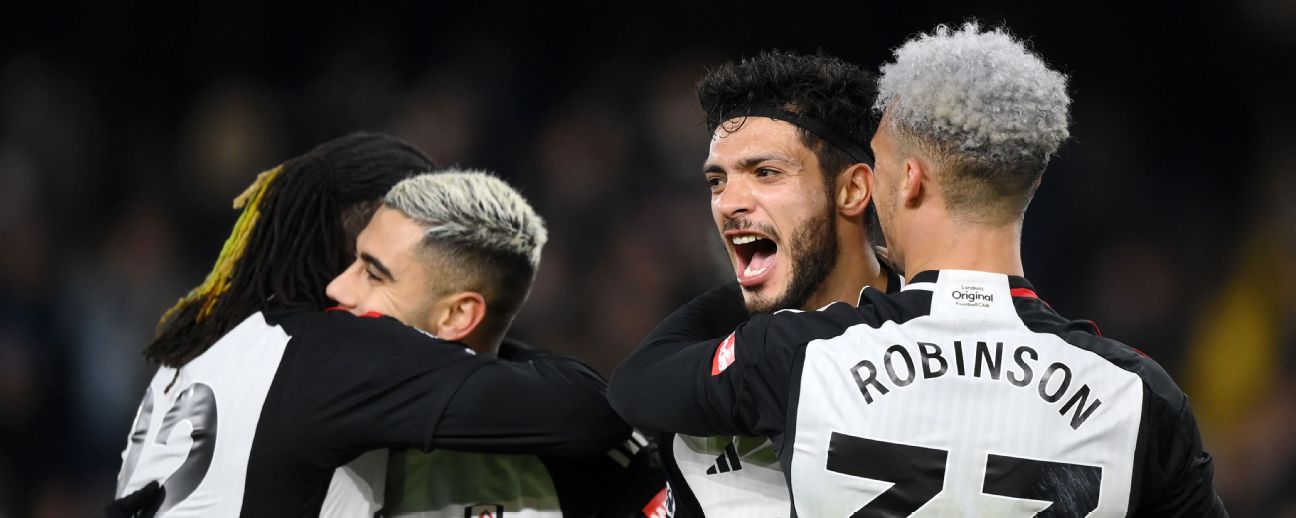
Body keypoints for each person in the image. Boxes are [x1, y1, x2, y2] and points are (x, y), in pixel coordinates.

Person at [609, 22, 1228, 516]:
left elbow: (637, 387)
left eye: (876, 164)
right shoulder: (1139, 394)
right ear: (1031, 180)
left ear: (906, 180)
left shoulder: (804, 356)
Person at [111, 133, 627, 517]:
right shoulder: (334, 354)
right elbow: (586, 413)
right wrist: (486, 347)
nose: (343, 288)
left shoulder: (206, 346)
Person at [642, 50, 899, 517]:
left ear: (853, 190)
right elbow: (633, 388)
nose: (729, 203)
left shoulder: (945, 330)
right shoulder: (711, 354)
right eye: (717, 181)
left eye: (766, 173)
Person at [326, 170, 665, 518]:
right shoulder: (301, 385)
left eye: (373, 274)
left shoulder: (583, 455)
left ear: (457, 315)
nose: (336, 289)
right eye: (354, 260)